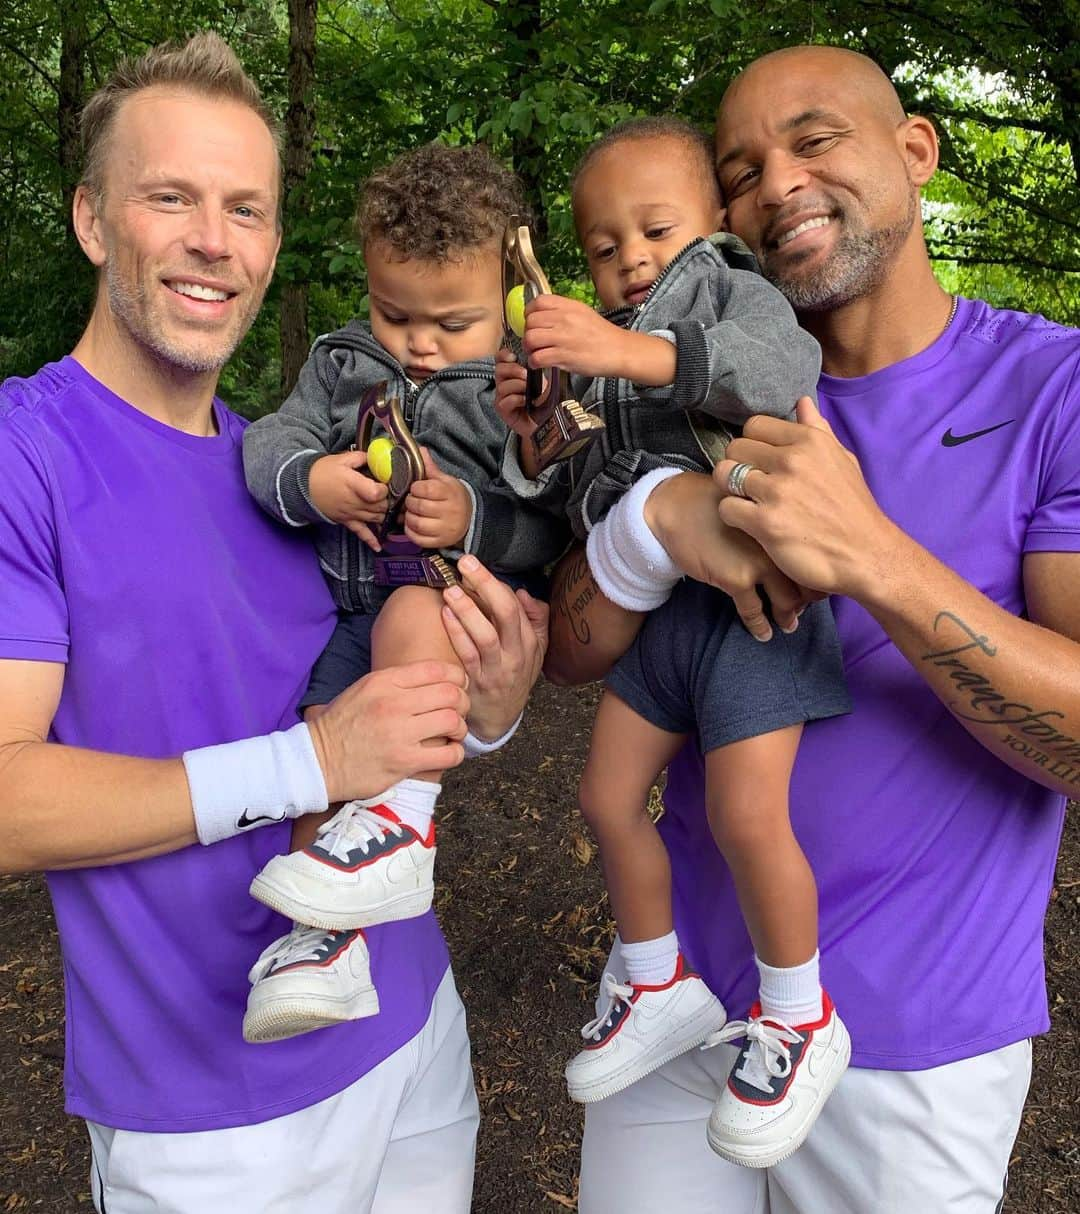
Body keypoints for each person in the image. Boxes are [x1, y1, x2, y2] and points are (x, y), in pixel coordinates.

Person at [0, 33, 545, 1214]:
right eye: (171, 198)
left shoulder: (292, 466)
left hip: (411, 1036)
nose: (214, 239)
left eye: (245, 208)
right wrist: (311, 760)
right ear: (94, 220)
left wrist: (488, 713)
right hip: (210, 1121)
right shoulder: (24, 453)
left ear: (276, 245)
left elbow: (376, 700)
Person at [544, 45, 1080, 1213]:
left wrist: (871, 553)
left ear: (916, 149)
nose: (775, 181)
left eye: (814, 138)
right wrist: (652, 522)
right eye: (739, 169)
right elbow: (571, 649)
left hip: (913, 1046)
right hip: (677, 1009)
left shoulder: (1052, 390)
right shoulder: (689, 386)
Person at [495, 116, 851, 1161]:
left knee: (748, 814)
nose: (631, 259)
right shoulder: (602, 351)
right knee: (603, 797)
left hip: (755, 611)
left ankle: (799, 1012)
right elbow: (572, 506)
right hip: (657, 609)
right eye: (603, 248)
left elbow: (777, 365)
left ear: (712, 222)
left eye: (654, 229)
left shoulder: (727, 290)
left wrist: (632, 350)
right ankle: (656, 978)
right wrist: (537, 429)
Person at [240, 143, 565, 1044]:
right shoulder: (343, 365)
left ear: (504, 295)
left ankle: (404, 824)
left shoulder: (516, 389)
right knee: (319, 739)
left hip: (448, 606)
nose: (421, 344)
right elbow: (268, 444)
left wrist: (473, 514)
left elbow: (554, 524)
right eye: (395, 314)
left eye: (452, 323)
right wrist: (314, 480)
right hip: (356, 611)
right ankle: (321, 945)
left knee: (419, 609)